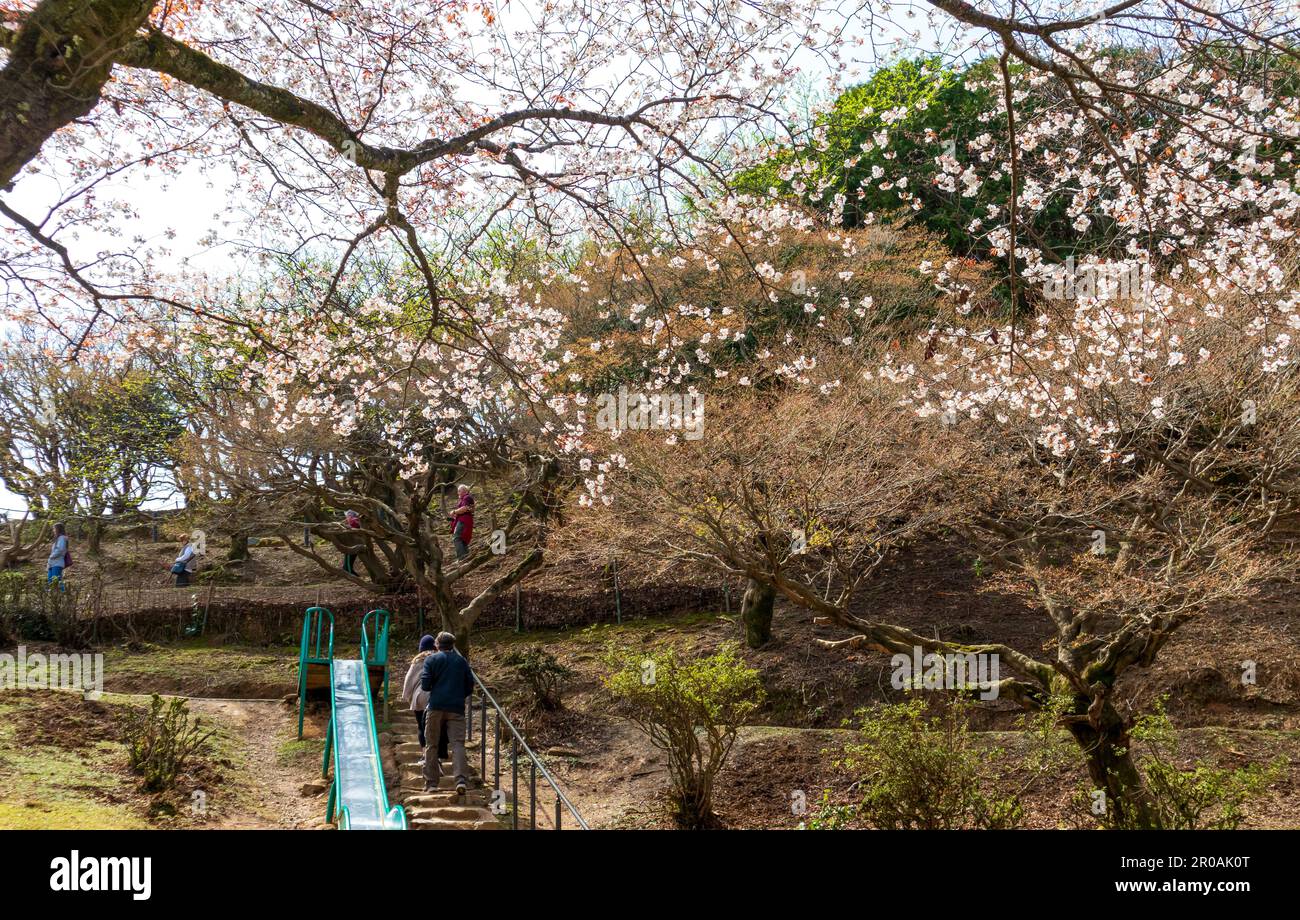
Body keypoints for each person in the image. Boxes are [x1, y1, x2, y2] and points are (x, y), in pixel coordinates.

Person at [420, 631, 474, 795]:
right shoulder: (461, 661)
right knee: (458, 744)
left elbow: (425, 685)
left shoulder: (431, 659)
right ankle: (460, 780)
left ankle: (431, 783)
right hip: (456, 708)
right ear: (453, 645)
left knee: (432, 744)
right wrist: (457, 696)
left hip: (436, 706)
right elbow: (469, 686)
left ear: (437, 644)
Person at [448, 484, 474, 560]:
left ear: (465, 491)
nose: (458, 493)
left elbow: (465, 508)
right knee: (463, 539)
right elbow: (469, 509)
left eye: (459, 491)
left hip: (464, 521)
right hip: (466, 520)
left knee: (457, 538)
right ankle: (466, 558)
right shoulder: (466, 498)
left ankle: (462, 558)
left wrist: (454, 511)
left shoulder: (467, 497)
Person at [46, 522, 70, 587]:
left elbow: (60, 549)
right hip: (52, 563)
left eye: (54, 529)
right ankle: (50, 595)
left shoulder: (62, 538)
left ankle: (62, 595)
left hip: (57, 563)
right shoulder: (58, 538)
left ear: (58, 529)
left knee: (57, 581)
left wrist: (51, 556)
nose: (53, 530)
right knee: (50, 581)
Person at [342, 510, 361, 575]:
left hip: (356, 537)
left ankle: (349, 569)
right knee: (350, 553)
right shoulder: (351, 514)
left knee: (354, 553)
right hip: (350, 538)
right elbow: (352, 522)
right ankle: (348, 570)